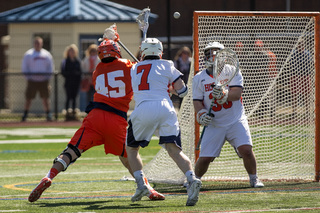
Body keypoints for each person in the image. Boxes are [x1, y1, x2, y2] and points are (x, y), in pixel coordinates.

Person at [28, 39, 164, 203]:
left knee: (72, 150)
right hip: (116, 118)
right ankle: (147, 188)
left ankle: (48, 176)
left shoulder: (97, 70)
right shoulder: (128, 66)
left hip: (95, 116)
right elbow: (141, 74)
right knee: (129, 156)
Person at [126, 38, 202, 206]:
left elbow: (142, 85)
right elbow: (182, 91)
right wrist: (170, 89)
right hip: (166, 108)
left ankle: (141, 185)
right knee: (174, 150)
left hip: (144, 108)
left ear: (143, 52)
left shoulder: (134, 68)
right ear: (160, 52)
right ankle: (192, 178)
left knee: (131, 149)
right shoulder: (167, 64)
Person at [192, 41, 264, 188]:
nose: (213, 56)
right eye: (209, 53)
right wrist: (202, 113)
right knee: (205, 158)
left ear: (224, 56)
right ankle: (194, 180)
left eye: (216, 52)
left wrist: (225, 95)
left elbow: (236, 94)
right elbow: (197, 101)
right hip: (214, 123)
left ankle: (254, 178)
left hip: (235, 119)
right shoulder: (199, 77)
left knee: (246, 150)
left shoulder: (232, 70)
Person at [21, 36, 54, 122]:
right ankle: (25, 114)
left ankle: (48, 114)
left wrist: (47, 77)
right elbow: (25, 67)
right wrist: (29, 77)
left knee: (46, 98)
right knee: (28, 98)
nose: (37, 45)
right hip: (32, 81)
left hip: (44, 81)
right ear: (33, 44)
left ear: (41, 44)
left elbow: (50, 67)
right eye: (36, 43)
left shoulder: (46, 54)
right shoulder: (28, 54)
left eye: (39, 43)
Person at [61, 44, 82, 121]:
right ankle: (66, 113)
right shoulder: (65, 61)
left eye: (73, 51)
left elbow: (80, 72)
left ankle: (74, 113)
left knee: (74, 98)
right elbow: (63, 71)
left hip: (75, 83)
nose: (72, 53)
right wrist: (70, 73)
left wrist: (76, 74)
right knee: (68, 98)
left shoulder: (77, 61)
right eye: (70, 51)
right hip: (68, 83)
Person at [80, 44, 100, 110]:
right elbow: (83, 69)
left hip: (96, 82)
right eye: (92, 51)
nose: (93, 52)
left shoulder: (99, 60)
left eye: (94, 51)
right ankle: (89, 110)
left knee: (96, 96)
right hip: (88, 81)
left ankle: (96, 109)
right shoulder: (86, 60)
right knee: (88, 97)